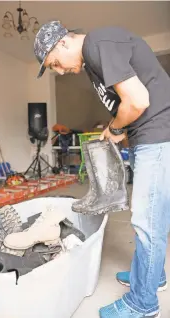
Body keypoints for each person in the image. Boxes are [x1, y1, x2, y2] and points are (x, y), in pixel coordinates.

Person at [33, 21, 170, 318]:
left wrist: (115, 126)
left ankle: (143, 304)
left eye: (55, 62)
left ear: (64, 43)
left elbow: (137, 100)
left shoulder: (96, 43)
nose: (59, 70)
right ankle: (152, 277)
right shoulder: (94, 59)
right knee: (155, 216)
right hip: (151, 134)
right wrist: (117, 130)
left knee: (148, 222)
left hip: (159, 134)